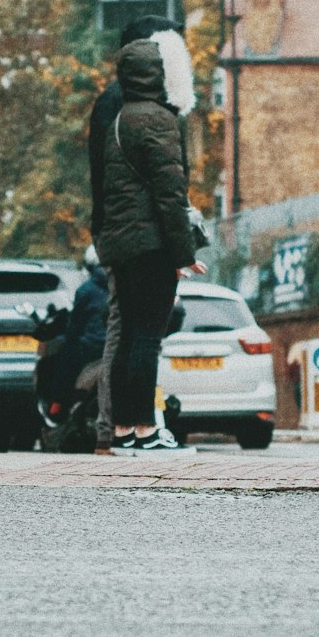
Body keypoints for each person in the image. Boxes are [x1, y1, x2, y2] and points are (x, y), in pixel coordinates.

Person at [95, 23, 206, 451]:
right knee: (147, 337)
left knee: (125, 337)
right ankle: (145, 428)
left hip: (121, 244)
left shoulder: (120, 119)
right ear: (158, 74)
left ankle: (122, 428)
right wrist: (184, 253)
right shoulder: (159, 121)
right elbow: (169, 194)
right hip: (152, 246)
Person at [53, 245, 109, 405]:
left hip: (92, 347)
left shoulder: (86, 289)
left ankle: (59, 405)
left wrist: (68, 337)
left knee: (65, 356)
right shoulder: (123, 285)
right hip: (120, 345)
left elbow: (76, 324)